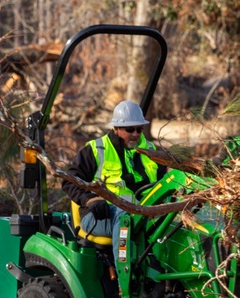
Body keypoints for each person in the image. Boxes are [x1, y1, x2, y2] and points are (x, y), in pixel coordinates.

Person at [62, 100, 166, 239]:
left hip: (143, 214)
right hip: (101, 215)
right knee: (125, 219)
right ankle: (124, 262)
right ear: (116, 128)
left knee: (173, 223)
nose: (135, 134)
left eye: (139, 129)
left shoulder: (152, 151)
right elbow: (69, 181)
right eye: (130, 129)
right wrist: (90, 200)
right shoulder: (96, 149)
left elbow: (163, 185)